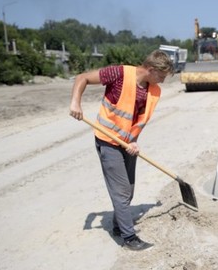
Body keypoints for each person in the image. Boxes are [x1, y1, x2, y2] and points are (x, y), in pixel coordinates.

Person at [69, 49, 173, 251]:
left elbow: (138, 120)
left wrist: (133, 141)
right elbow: (82, 78)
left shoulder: (152, 90)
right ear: (150, 69)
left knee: (129, 189)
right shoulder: (119, 74)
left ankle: (118, 225)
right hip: (108, 140)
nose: (162, 81)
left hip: (128, 143)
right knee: (121, 191)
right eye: (161, 76)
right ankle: (129, 237)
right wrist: (75, 102)